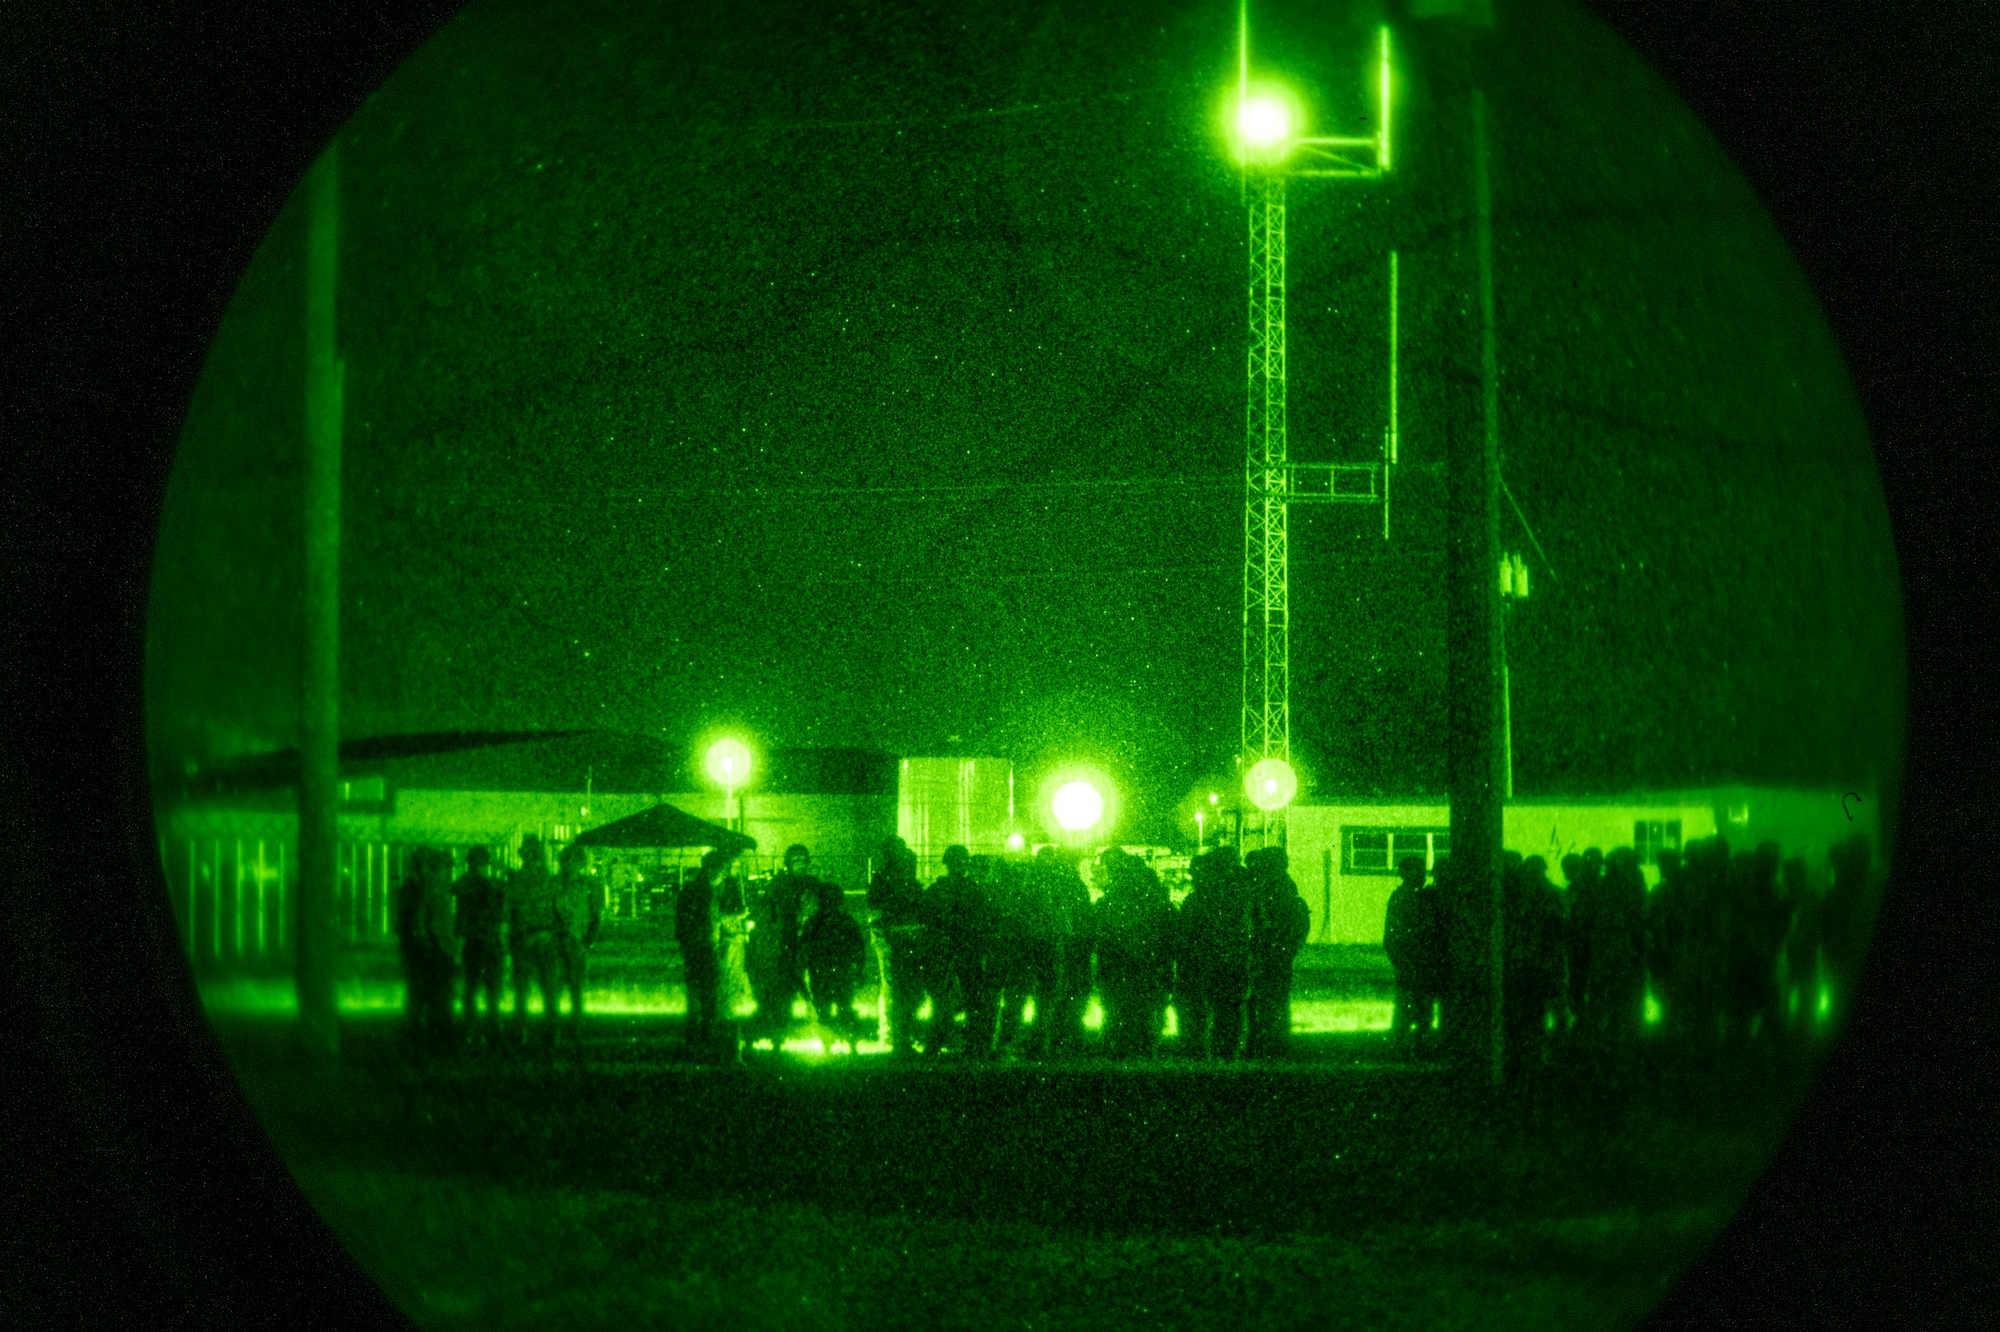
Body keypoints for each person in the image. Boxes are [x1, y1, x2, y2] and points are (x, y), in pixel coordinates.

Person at [1094, 850, 1176, 1058]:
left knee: (1117, 1017)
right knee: (1147, 1017)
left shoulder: (1108, 904)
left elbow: (1098, 937)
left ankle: (1116, 1058)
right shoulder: (1159, 904)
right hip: (1150, 971)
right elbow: (1171, 939)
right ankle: (1145, 1059)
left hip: (1117, 972)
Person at [1178, 845, 1252, 1059]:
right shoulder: (1241, 891)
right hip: (1232, 960)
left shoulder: (1204, 897)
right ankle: (1226, 1051)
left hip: (1210, 961)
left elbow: (1189, 931)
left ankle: (1208, 1052)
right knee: (1228, 1010)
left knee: (1210, 1010)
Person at [924, 845, 997, 1057]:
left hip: (946, 949)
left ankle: (937, 1042)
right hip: (966, 949)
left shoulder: (938, 889)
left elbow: (927, 916)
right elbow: (984, 920)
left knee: (943, 998)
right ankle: (975, 1043)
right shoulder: (973, 890)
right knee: (971, 997)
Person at [744, 844, 819, 1049]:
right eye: (795, 861)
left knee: (806, 983)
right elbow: (766, 910)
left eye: (802, 861)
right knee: (782, 988)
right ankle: (771, 1031)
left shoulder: (811, 883)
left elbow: (816, 908)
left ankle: (807, 1024)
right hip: (782, 942)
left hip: (804, 939)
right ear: (788, 863)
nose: (800, 865)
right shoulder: (779, 884)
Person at [1503, 853, 1566, 1075]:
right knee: (1543, 1011)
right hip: (1543, 962)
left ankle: (1537, 1055)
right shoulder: (1552, 893)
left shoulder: (1524, 896)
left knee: (1532, 1012)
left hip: (1531, 963)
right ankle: (1548, 1055)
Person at [1245, 847, 1311, 1059]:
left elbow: (1269, 922)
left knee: (1268, 1000)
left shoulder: (1277, 888)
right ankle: (1273, 1042)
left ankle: (1269, 1043)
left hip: (1272, 952)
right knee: (1273, 1000)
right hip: (1277, 952)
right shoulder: (1282, 885)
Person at [867, 837, 929, 1057]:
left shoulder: (890, 881)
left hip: (899, 941)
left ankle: (897, 1034)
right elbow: (878, 916)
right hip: (897, 942)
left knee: (899, 988)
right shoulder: (892, 882)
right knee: (896, 988)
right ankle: (896, 1036)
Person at [395, 846, 458, 1054]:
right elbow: (422, 922)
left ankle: (421, 1037)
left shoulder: (419, 887)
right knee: (433, 997)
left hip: (428, 951)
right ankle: (434, 1039)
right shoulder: (428, 888)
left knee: (423, 996)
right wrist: (436, 947)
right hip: (433, 951)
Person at [676, 848, 737, 1059]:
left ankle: (694, 1039)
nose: (724, 875)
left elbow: (682, 923)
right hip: (705, 948)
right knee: (710, 994)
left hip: (694, 948)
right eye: (723, 870)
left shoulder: (692, 890)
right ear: (714, 869)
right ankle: (706, 1037)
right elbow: (711, 920)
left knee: (696, 995)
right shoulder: (707, 893)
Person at [506, 834, 562, 1050]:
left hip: (528, 939)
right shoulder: (548, 880)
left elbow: (509, 911)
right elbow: (559, 911)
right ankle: (547, 1034)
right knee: (545, 990)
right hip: (540, 938)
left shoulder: (520, 880)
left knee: (527, 990)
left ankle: (525, 1033)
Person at [800, 878, 869, 1050]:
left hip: (821, 972)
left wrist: (802, 970)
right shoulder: (846, 920)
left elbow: (803, 948)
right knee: (844, 1008)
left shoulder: (813, 922)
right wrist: (859, 969)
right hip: (840, 971)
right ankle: (850, 1044)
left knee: (825, 1010)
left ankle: (827, 1045)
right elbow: (858, 946)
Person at [1383, 855, 1442, 1047]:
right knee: (1412, 1006)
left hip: (1415, 960)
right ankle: (1410, 1045)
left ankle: (1408, 1044)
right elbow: (1393, 934)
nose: (1422, 874)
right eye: (1416, 870)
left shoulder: (1416, 896)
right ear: (1405, 873)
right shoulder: (1404, 898)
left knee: (1415, 1006)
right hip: (1412, 959)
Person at [451, 845, 507, 1046]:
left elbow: (460, 915)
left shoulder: (465, 884)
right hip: (490, 943)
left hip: (474, 943)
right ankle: (492, 1028)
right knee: (491, 990)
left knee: (472, 989)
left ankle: (471, 1030)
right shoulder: (493, 885)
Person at [551, 842, 603, 1047]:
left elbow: (596, 917)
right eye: (564, 860)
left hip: (572, 941)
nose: (566, 864)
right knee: (557, 990)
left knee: (573, 989)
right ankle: (563, 1033)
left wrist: (587, 941)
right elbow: (596, 917)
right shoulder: (558, 884)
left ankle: (573, 1031)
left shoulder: (586, 886)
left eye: (570, 860)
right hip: (561, 942)